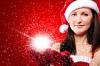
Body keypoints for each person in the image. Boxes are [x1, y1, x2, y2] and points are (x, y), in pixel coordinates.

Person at [30, 0, 100, 66]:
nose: (78, 20)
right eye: (74, 14)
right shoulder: (57, 48)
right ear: (68, 19)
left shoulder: (98, 51)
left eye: (85, 14)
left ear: (93, 18)